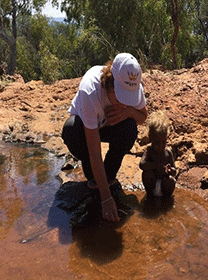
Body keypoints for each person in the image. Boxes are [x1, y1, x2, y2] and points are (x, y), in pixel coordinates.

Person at [61, 53, 147, 222]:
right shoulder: (90, 91)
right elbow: (94, 151)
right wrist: (106, 199)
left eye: (127, 99)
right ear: (110, 84)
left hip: (110, 125)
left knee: (130, 128)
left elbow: (143, 117)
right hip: (84, 128)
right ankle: (96, 179)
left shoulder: (132, 84)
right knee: (71, 129)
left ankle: (108, 176)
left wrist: (128, 111)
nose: (124, 103)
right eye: (121, 97)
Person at [139, 111, 176, 198]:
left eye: (163, 142)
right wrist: (156, 166)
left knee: (170, 180)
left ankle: (166, 198)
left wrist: (170, 170)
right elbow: (142, 165)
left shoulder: (167, 152)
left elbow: (175, 170)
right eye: (157, 142)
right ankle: (150, 196)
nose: (160, 146)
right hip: (152, 183)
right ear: (151, 138)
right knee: (147, 174)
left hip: (164, 182)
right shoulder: (149, 150)